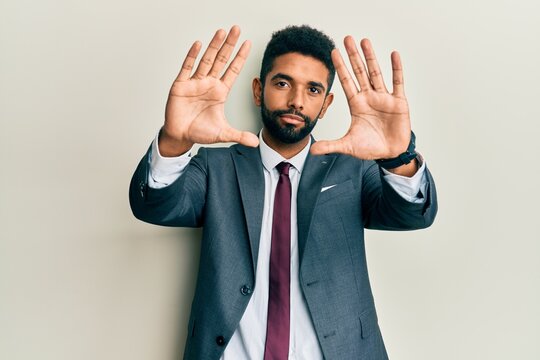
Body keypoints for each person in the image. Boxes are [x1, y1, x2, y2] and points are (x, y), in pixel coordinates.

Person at [129, 24, 437, 360]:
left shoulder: (354, 169)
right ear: (258, 91)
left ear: (326, 104)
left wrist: (398, 158)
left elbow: (412, 214)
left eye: (313, 90)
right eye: (282, 83)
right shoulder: (215, 167)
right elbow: (154, 206)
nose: (296, 101)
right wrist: (176, 141)